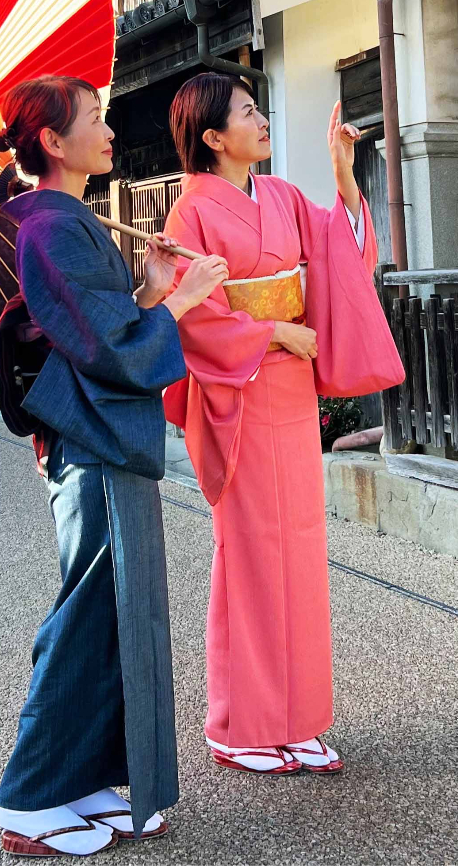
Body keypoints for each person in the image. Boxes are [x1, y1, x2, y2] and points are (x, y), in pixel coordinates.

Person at [0, 75, 228, 858]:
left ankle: (80, 777)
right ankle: (28, 796)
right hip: (92, 442)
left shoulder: (67, 223)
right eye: (95, 119)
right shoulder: (50, 230)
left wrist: (149, 288)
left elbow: (100, 322)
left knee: (113, 613)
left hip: (100, 436)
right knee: (86, 613)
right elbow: (109, 346)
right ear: (53, 143)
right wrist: (180, 302)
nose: (111, 129)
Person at [163, 73, 377, 776]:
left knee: (299, 551)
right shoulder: (188, 214)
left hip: (289, 393)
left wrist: (344, 179)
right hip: (240, 392)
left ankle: (296, 718)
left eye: (259, 108)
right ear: (213, 137)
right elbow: (192, 313)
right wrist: (278, 335)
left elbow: (339, 258)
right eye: (247, 113)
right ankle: (238, 723)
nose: (262, 121)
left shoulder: (281, 195)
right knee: (253, 554)